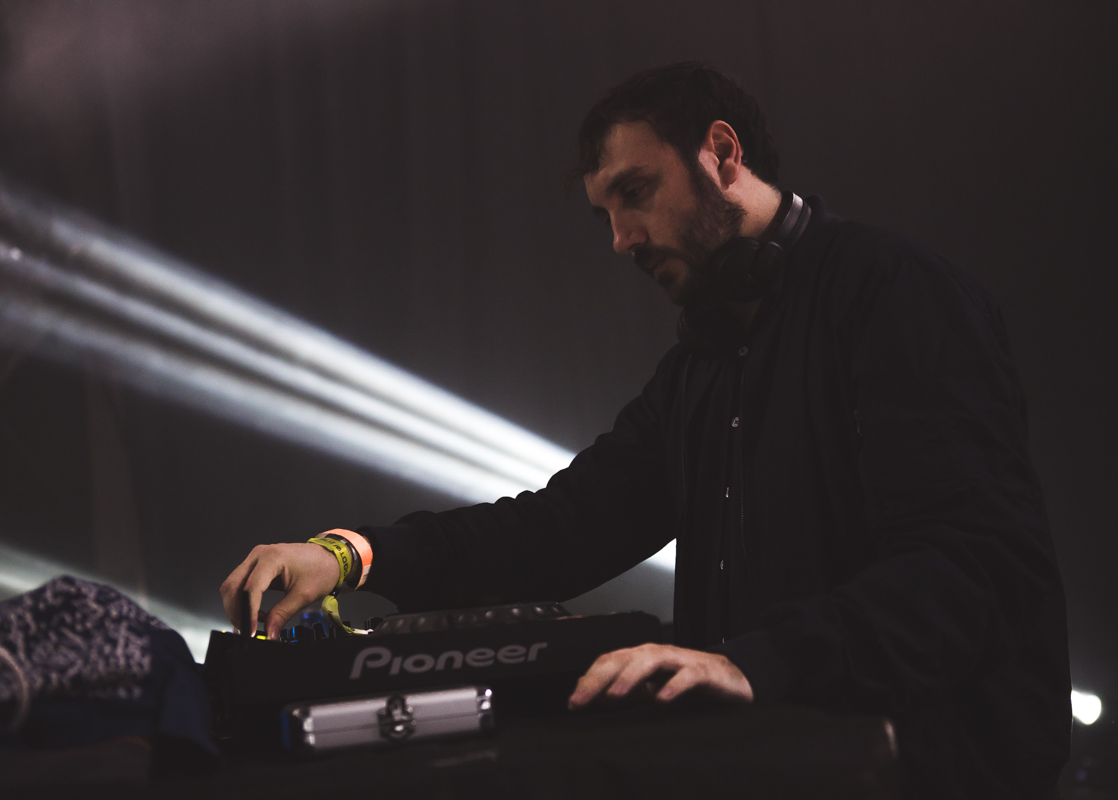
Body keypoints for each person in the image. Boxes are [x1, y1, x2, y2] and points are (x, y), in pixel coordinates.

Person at [221, 62, 1070, 798]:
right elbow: (556, 531)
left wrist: (756, 663)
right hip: (779, 768)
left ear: (722, 154)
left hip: (930, 772)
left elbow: (975, 565)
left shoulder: (894, 294)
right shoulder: (700, 369)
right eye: (605, 214)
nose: (623, 239)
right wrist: (354, 555)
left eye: (636, 193)